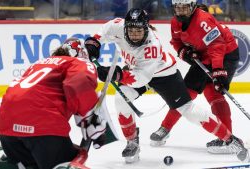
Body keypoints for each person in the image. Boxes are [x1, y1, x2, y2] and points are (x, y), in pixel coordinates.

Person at [93, 8, 249, 163]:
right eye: (131, 30)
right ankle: (132, 142)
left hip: (164, 75)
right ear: (125, 27)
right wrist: (92, 42)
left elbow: (141, 78)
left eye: (139, 31)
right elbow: (104, 30)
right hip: (137, 72)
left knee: (188, 110)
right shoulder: (118, 26)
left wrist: (119, 75)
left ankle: (230, 139)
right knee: (121, 100)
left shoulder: (151, 46)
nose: (134, 34)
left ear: (146, 29)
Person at [0, 37, 107, 169]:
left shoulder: (38, 63)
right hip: (42, 126)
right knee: (69, 162)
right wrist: (91, 120)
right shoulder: (77, 62)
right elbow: (80, 82)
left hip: (6, 128)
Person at [150, 0, 241, 154]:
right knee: (185, 93)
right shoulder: (175, 22)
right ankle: (165, 128)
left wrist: (218, 71)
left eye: (184, 8)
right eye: (177, 8)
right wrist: (185, 52)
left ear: (192, 7)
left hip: (225, 54)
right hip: (205, 56)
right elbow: (176, 42)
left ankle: (227, 139)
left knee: (214, 93)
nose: (180, 11)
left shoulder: (203, 20)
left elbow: (217, 45)